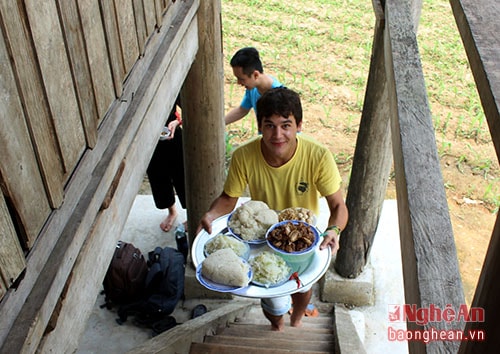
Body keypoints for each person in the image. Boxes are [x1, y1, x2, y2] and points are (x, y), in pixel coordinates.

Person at [199, 87, 348, 331]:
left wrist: (334, 230)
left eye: (285, 125)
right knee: (270, 296)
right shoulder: (243, 156)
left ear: (298, 125)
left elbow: (338, 205)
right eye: (269, 125)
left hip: (303, 238)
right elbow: (228, 197)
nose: (277, 134)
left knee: (303, 287)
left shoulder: (318, 156)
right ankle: (277, 324)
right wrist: (212, 214)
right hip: (262, 240)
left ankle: (297, 318)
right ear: (259, 126)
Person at [147, 98, 186, 233]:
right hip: (149, 137)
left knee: (183, 176)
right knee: (158, 176)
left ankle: (194, 215)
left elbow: (190, 105)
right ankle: (172, 211)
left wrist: (177, 121)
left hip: (173, 134)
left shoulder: (167, 78)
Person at [224, 47, 283, 126]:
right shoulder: (252, 88)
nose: (238, 83)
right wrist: (220, 123)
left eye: (241, 79)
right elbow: (242, 110)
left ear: (255, 75)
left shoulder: (280, 95)